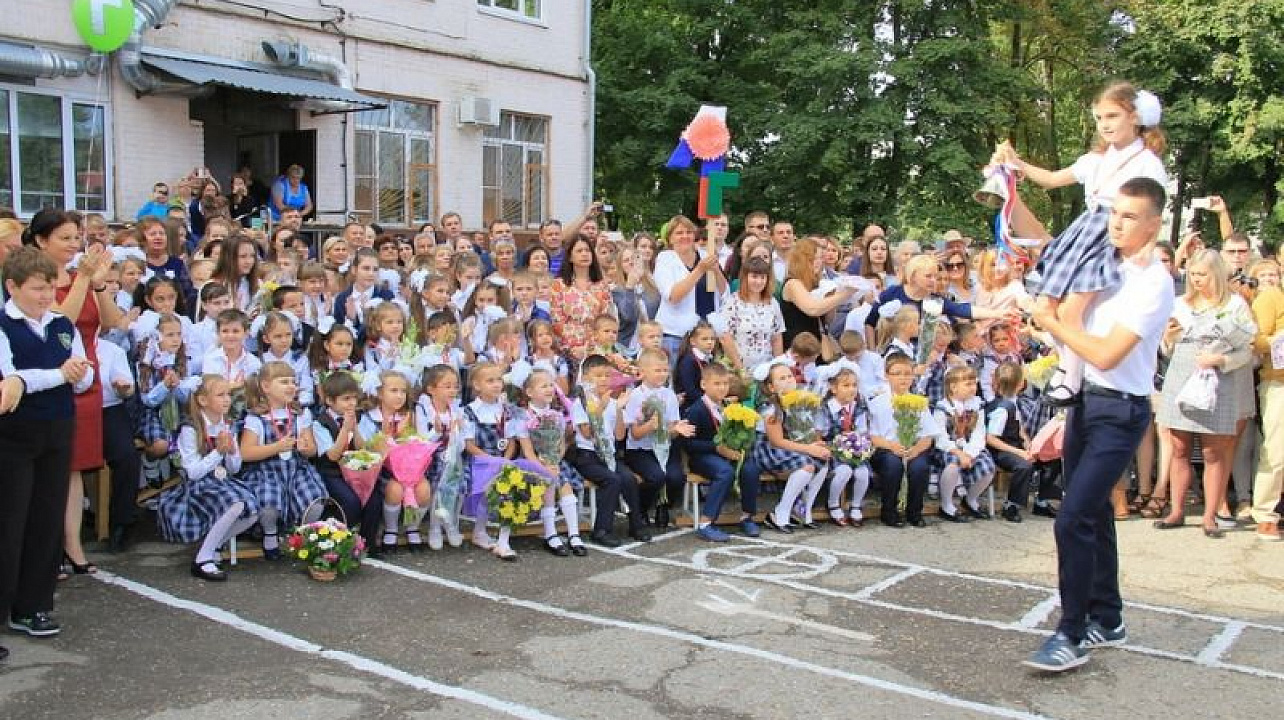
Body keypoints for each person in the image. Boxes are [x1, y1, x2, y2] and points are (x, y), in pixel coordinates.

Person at [1024, 177, 1174, 672]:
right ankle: (1107, 617)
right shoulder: (1101, 263)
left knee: (1072, 518)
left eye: (1131, 216)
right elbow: (1045, 242)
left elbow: (1108, 354)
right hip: (1086, 403)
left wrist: (1050, 322)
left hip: (1122, 410)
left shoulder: (1153, 282)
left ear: (1153, 224)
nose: (1117, 222)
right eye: (1116, 212)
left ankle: (1072, 633)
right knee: (1094, 515)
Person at [997, 81, 1167, 406]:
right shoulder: (1095, 159)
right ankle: (1067, 368)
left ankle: (1071, 377)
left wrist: (1147, 247)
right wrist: (1015, 162)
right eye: (1100, 117)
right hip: (1085, 229)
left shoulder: (1147, 162)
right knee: (1048, 305)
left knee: (1073, 308)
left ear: (1135, 117)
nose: (1105, 124)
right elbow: (1050, 178)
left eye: (1113, 116)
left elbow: (1152, 208)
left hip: (1109, 232)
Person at [0, 247, 95, 655]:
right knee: (9, 524)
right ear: (12, 287)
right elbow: (10, 381)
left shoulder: (59, 324)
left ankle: (33, 606)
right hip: (14, 434)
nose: (45, 297)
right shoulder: (4, 325)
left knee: (45, 519)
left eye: (49, 288)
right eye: (37, 289)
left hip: (57, 430)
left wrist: (77, 372)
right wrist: (58, 374)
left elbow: (81, 374)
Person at [26, 210, 123, 578]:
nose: (73, 244)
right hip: (52, 377)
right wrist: (83, 278)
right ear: (40, 240)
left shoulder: (82, 276)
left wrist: (98, 285)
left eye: (75, 237)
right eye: (64, 237)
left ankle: (73, 546)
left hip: (87, 378)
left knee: (74, 469)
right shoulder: (33, 278)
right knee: (49, 470)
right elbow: (60, 322)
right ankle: (47, 548)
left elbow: (112, 322)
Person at [1153, 250, 1256, 538]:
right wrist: (1169, 339)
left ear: (1218, 275)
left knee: (1214, 451)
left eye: (1203, 275)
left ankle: (1210, 516)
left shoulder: (1235, 305)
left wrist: (1220, 360)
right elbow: (1165, 349)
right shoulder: (1179, 304)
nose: (1197, 280)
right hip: (1181, 376)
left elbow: (1246, 350)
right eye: (1194, 274)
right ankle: (1176, 510)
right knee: (1180, 448)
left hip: (1218, 379)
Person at [682, 362, 761, 541]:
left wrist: (740, 443)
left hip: (725, 453)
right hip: (702, 456)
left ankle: (747, 516)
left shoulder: (730, 406)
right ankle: (706, 522)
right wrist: (716, 448)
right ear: (704, 385)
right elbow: (688, 444)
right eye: (717, 384)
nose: (722, 388)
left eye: (725, 384)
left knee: (750, 469)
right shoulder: (696, 410)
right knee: (725, 472)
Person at [1251, 278, 1284, 541]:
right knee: (1276, 451)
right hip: (1278, 384)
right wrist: (1278, 339)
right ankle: (1265, 514)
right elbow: (1256, 342)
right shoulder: (1271, 297)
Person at [550, 235, 615, 359]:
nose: (584, 254)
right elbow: (557, 321)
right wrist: (574, 347)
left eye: (587, 250)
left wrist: (590, 348)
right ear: (570, 256)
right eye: (579, 251)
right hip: (568, 350)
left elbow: (606, 321)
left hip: (596, 350)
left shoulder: (602, 286)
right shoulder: (558, 285)